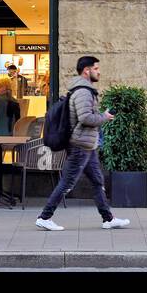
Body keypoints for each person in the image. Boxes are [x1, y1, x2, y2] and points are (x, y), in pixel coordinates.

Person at [35, 56, 130, 231]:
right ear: (86, 70)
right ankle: (45, 217)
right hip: (80, 145)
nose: (99, 71)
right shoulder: (83, 92)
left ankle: (108, 218)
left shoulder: (84, 90)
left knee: (97, 180)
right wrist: (104, 117)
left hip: (88, 145)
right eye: (96, 68)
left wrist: (101, 115)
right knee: (67, 182)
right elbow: (85, 117)